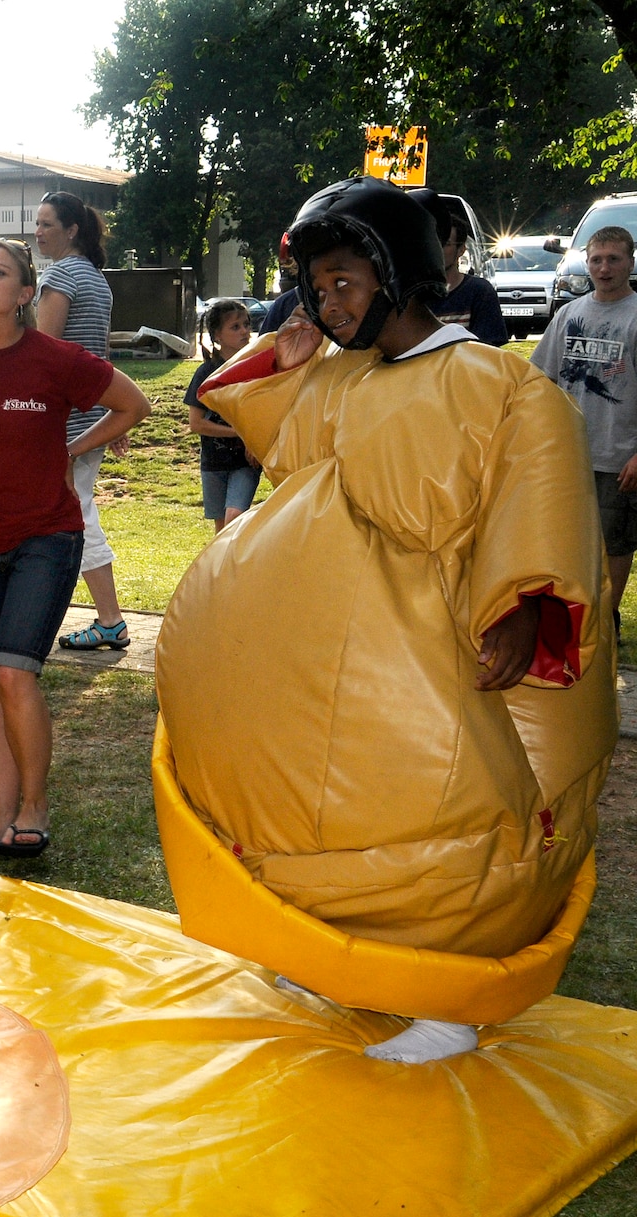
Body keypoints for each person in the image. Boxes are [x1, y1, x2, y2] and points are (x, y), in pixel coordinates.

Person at [160, 176, 613, 1064]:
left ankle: (447, 998)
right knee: (334, 805)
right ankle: (337, 952)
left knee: (446, 810)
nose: (328, 306)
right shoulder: (339, 377)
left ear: (399, 272)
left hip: (439, 647)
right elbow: (243, 416)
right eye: (316, 290)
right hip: (344, 654)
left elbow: (544, 490)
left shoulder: (496, 384)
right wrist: (286, 347)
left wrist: (525, 609)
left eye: (343, 284)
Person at [0, 240, 150, 862]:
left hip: (45, 537)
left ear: (26, 295)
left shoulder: (56, 359)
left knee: (16, 671)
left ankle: (34, 808)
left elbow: (133, 404)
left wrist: (71, 451)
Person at [531, 224, 637, 644]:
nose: (604, 268)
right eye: (596, 259)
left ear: (630, 262)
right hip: (566, 453)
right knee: (565, 539)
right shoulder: (570, 314)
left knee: (613, 543)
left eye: (614, 259)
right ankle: (569, 619)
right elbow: (540, 381)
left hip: (617, 455)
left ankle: (604, 624)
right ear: (586, 263)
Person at [36, 192, 131, 653]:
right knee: (64, 511)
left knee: (76, 513)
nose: (38, 232)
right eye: (35, 224)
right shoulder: (96, 279)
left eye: (47, 224)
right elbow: (101, 353)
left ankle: (110, 620)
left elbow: (44, 353)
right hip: (93, 413)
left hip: (65, 420)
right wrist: (117, 418)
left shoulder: (59, 276)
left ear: (71, 230)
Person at [185, 299, 260, 533]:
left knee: (234, 516)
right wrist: (237, 432)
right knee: (221, 529)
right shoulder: (207, 372)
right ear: (217, 335)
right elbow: (196, 423)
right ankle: (222, 570)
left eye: (246, 324)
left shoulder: (256, 367)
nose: (245, 331)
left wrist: (255, 439)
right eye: (235, 327)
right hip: (214, 462)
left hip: (246, 462)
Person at [413, 189, 508, 346]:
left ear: (461, 249)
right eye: (433, 242)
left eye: (446, 243)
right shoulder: (410, 296)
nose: (438, 249)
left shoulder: (478, 292)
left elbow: (489, 352)